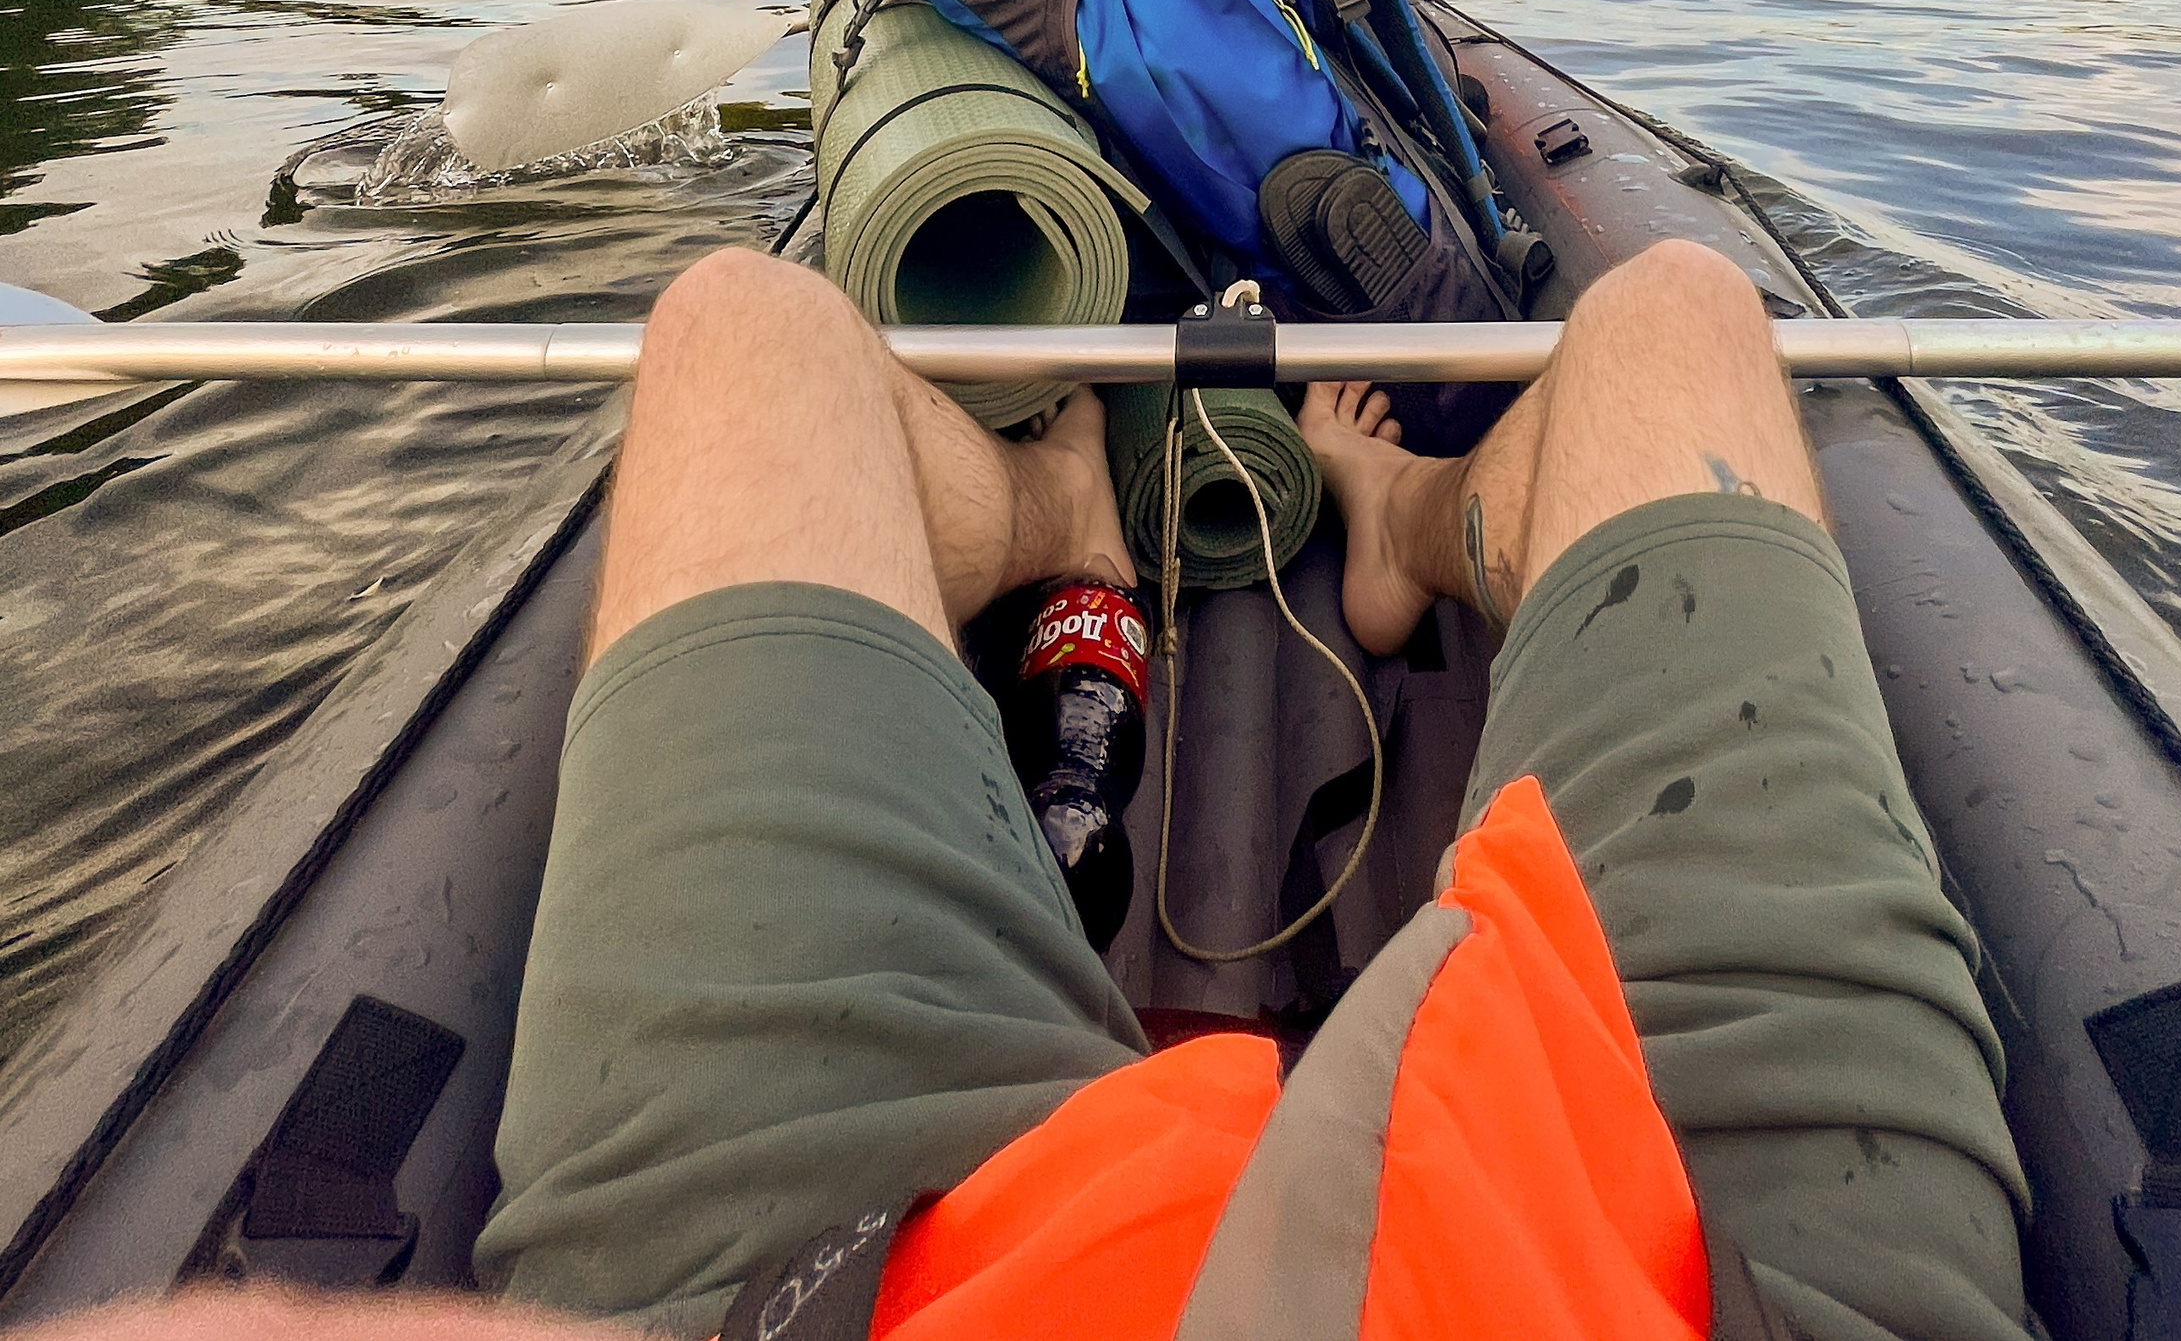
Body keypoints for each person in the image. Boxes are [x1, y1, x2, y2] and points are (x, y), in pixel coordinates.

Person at [462, 242, 2029, 1341]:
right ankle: (1405, 521)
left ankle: (1063, 516)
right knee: (1678, 315)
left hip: (853, 1291)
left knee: (747, 331)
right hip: (1685, 1274)